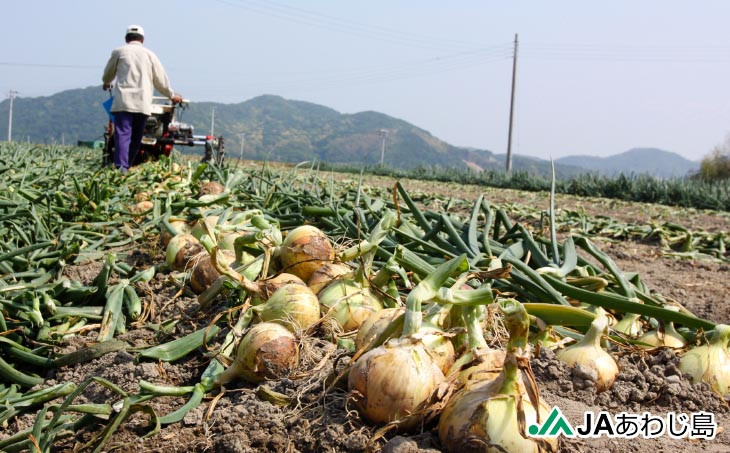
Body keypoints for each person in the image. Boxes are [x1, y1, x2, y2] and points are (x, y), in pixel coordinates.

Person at [102, 25, 183, 173]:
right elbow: (160, 81)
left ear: (126, 39)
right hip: (142, 104)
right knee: (136, 137)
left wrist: (107, 83)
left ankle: (121, 167)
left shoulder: (119, 52)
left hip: (123, 102)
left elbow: (107, 75)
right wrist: (172, 95)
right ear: (142, 40)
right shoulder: (150, 55)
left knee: (122, 134)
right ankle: (128, 166)